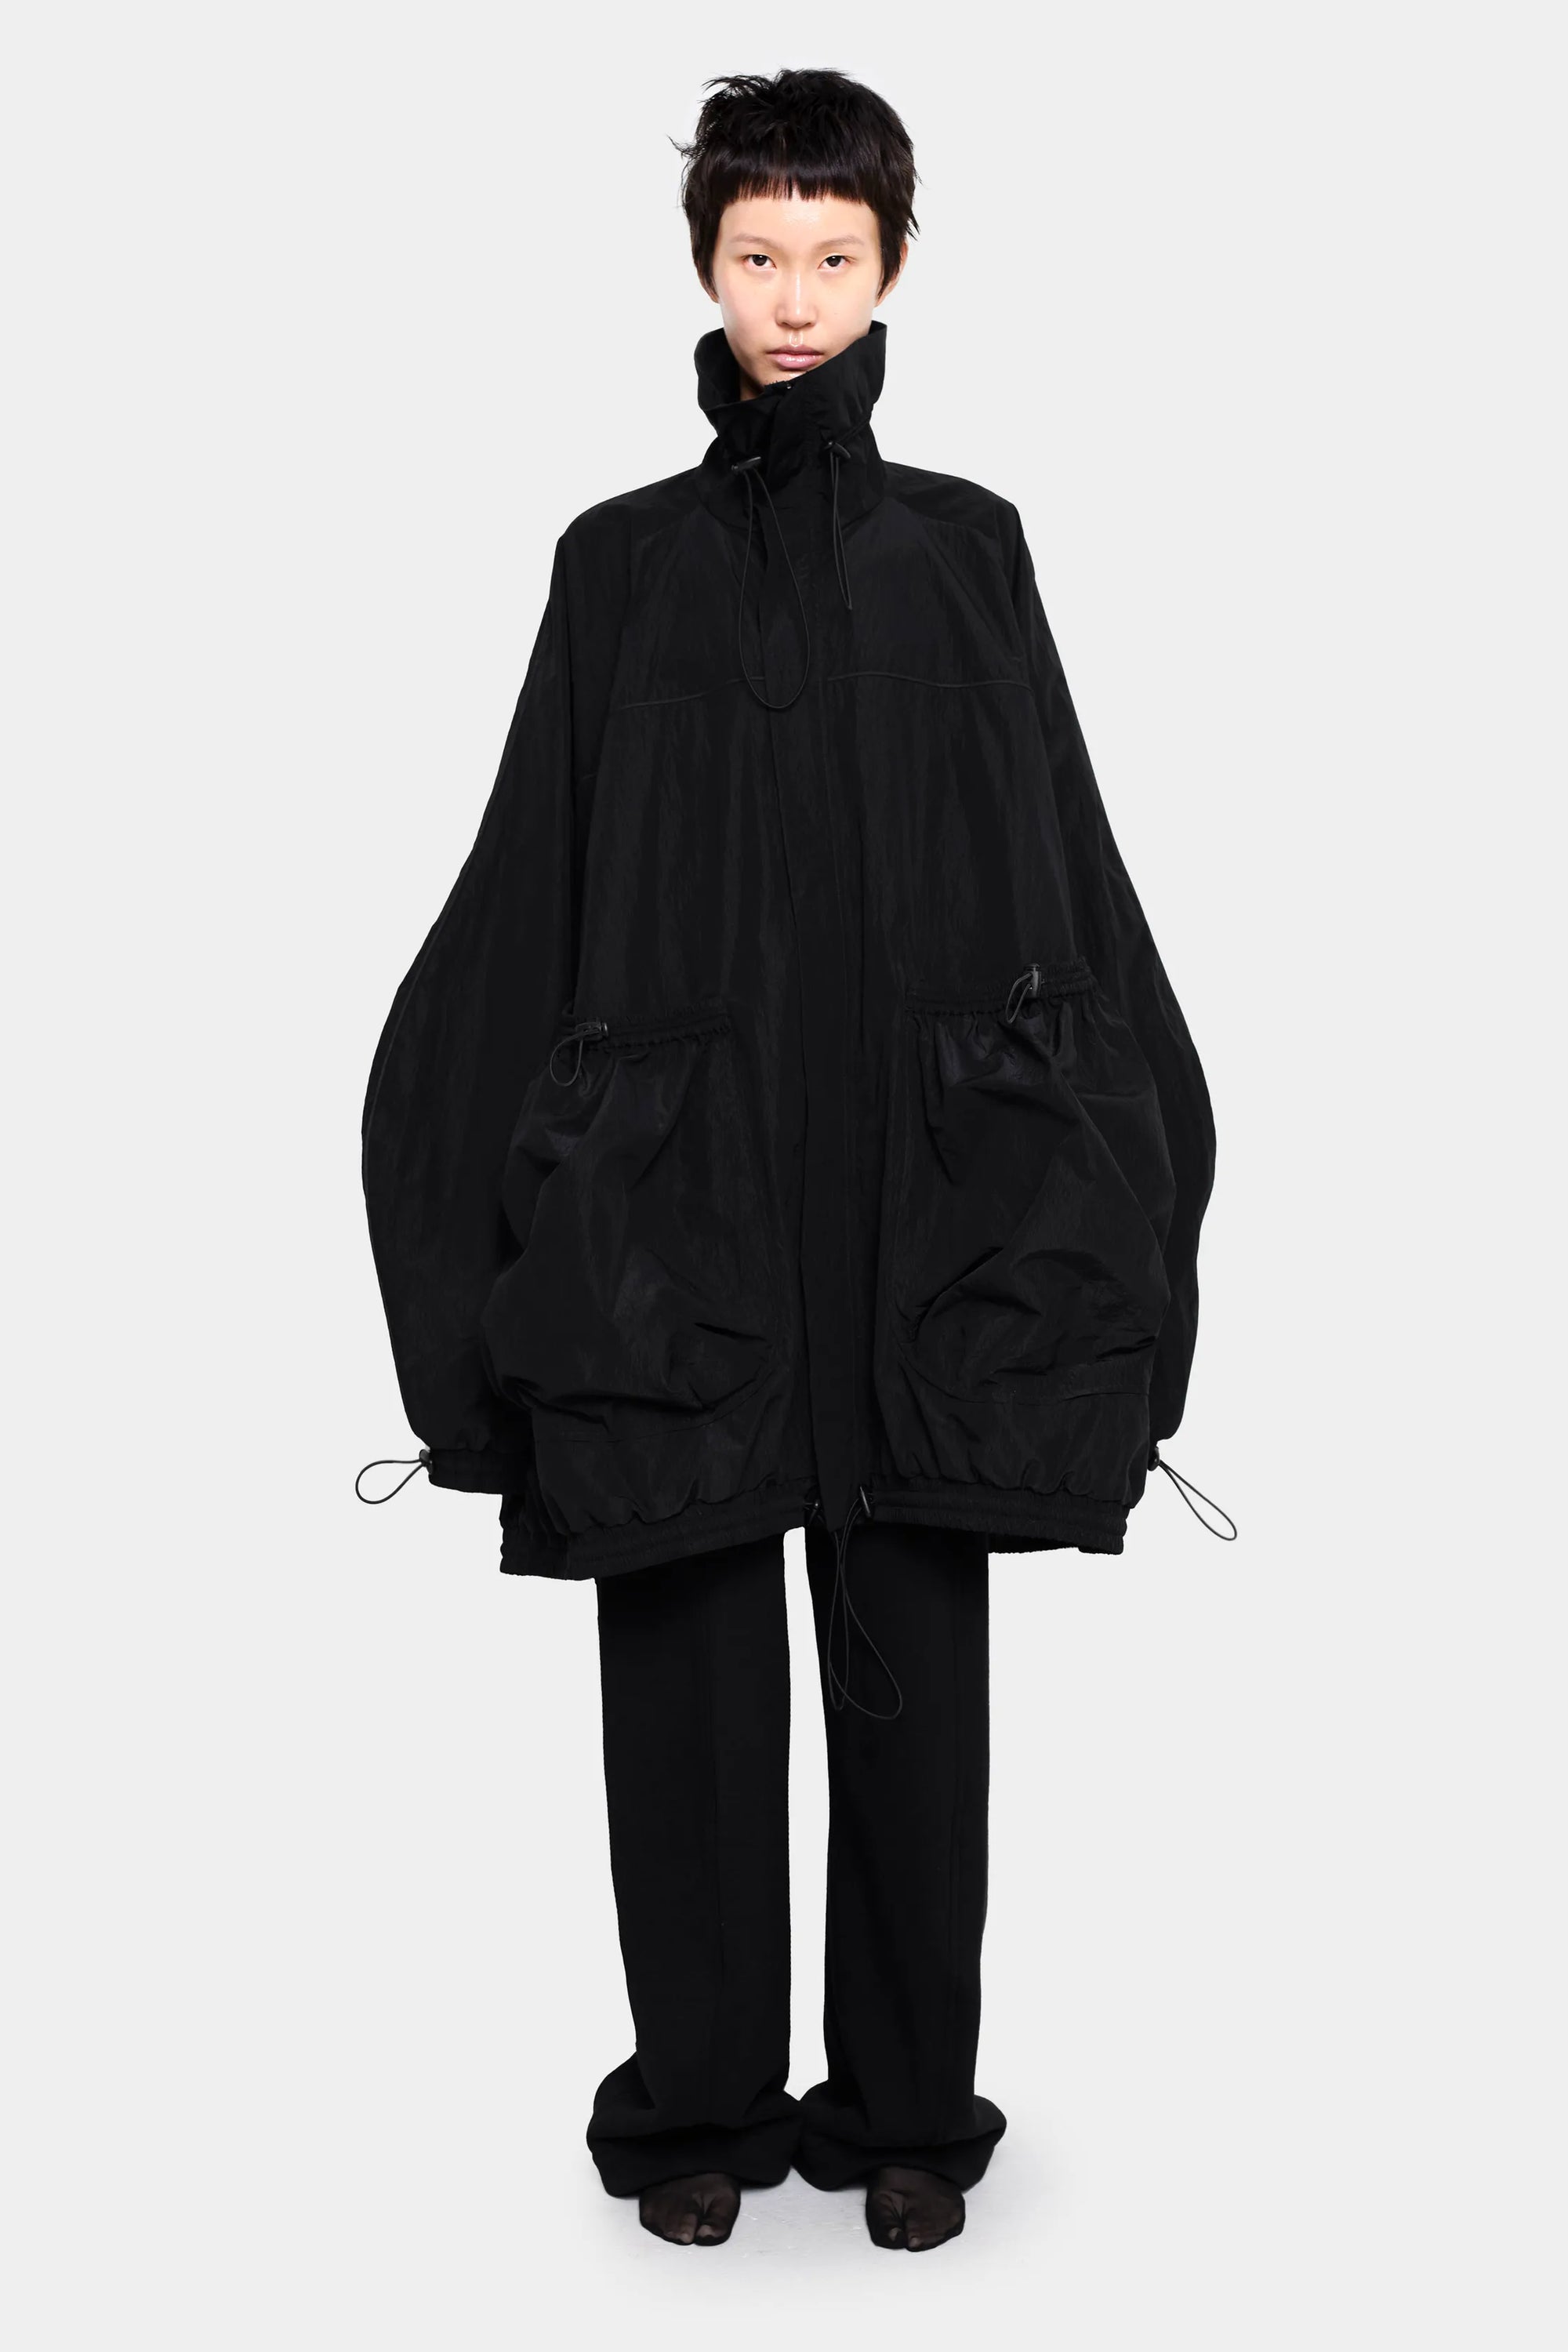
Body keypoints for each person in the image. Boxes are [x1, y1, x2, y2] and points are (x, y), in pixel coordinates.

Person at [358, 67, 1222, 2252]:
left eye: (837, 256)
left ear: (896, 266)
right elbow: (530, 893)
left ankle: (911, 2114)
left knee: (919, 1677)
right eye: (761, 255)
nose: (799, 296)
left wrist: (1121, 1218)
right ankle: (699, 2115)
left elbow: (1067, 877)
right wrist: (473, 1276)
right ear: (706, 267)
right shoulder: (618, 565)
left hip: (934, 1219)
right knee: (684, 1682)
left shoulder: (969, 551)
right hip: (682, 1226)